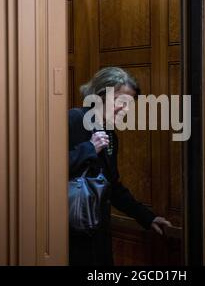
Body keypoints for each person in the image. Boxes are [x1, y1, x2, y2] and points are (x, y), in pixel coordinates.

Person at [69, 67, 172, 266]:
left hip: (97, 234)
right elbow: (46, 172)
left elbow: (112, 187)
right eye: (120, 101)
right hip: (70, 236)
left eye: (129, 104)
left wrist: (147, 218)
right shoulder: (74, 119)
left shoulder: (110, 135)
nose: (125, 110)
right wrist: (89, 148)